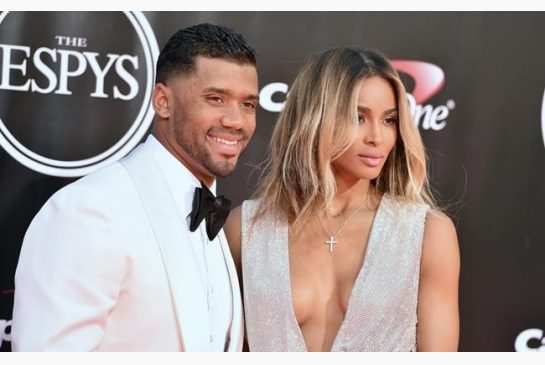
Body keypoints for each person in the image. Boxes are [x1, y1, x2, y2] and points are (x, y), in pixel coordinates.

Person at [12, 23, 259, 351]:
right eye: (216, 98)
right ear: (163, 102)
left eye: (248, 105)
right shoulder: (88, 211)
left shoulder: (216, 220)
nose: (236, 121)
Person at [224, 47, 460, 352]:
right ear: (315, 118)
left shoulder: (427, 233)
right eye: (358, 117)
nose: (377, 136)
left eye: (389, 120)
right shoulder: (246, 229)